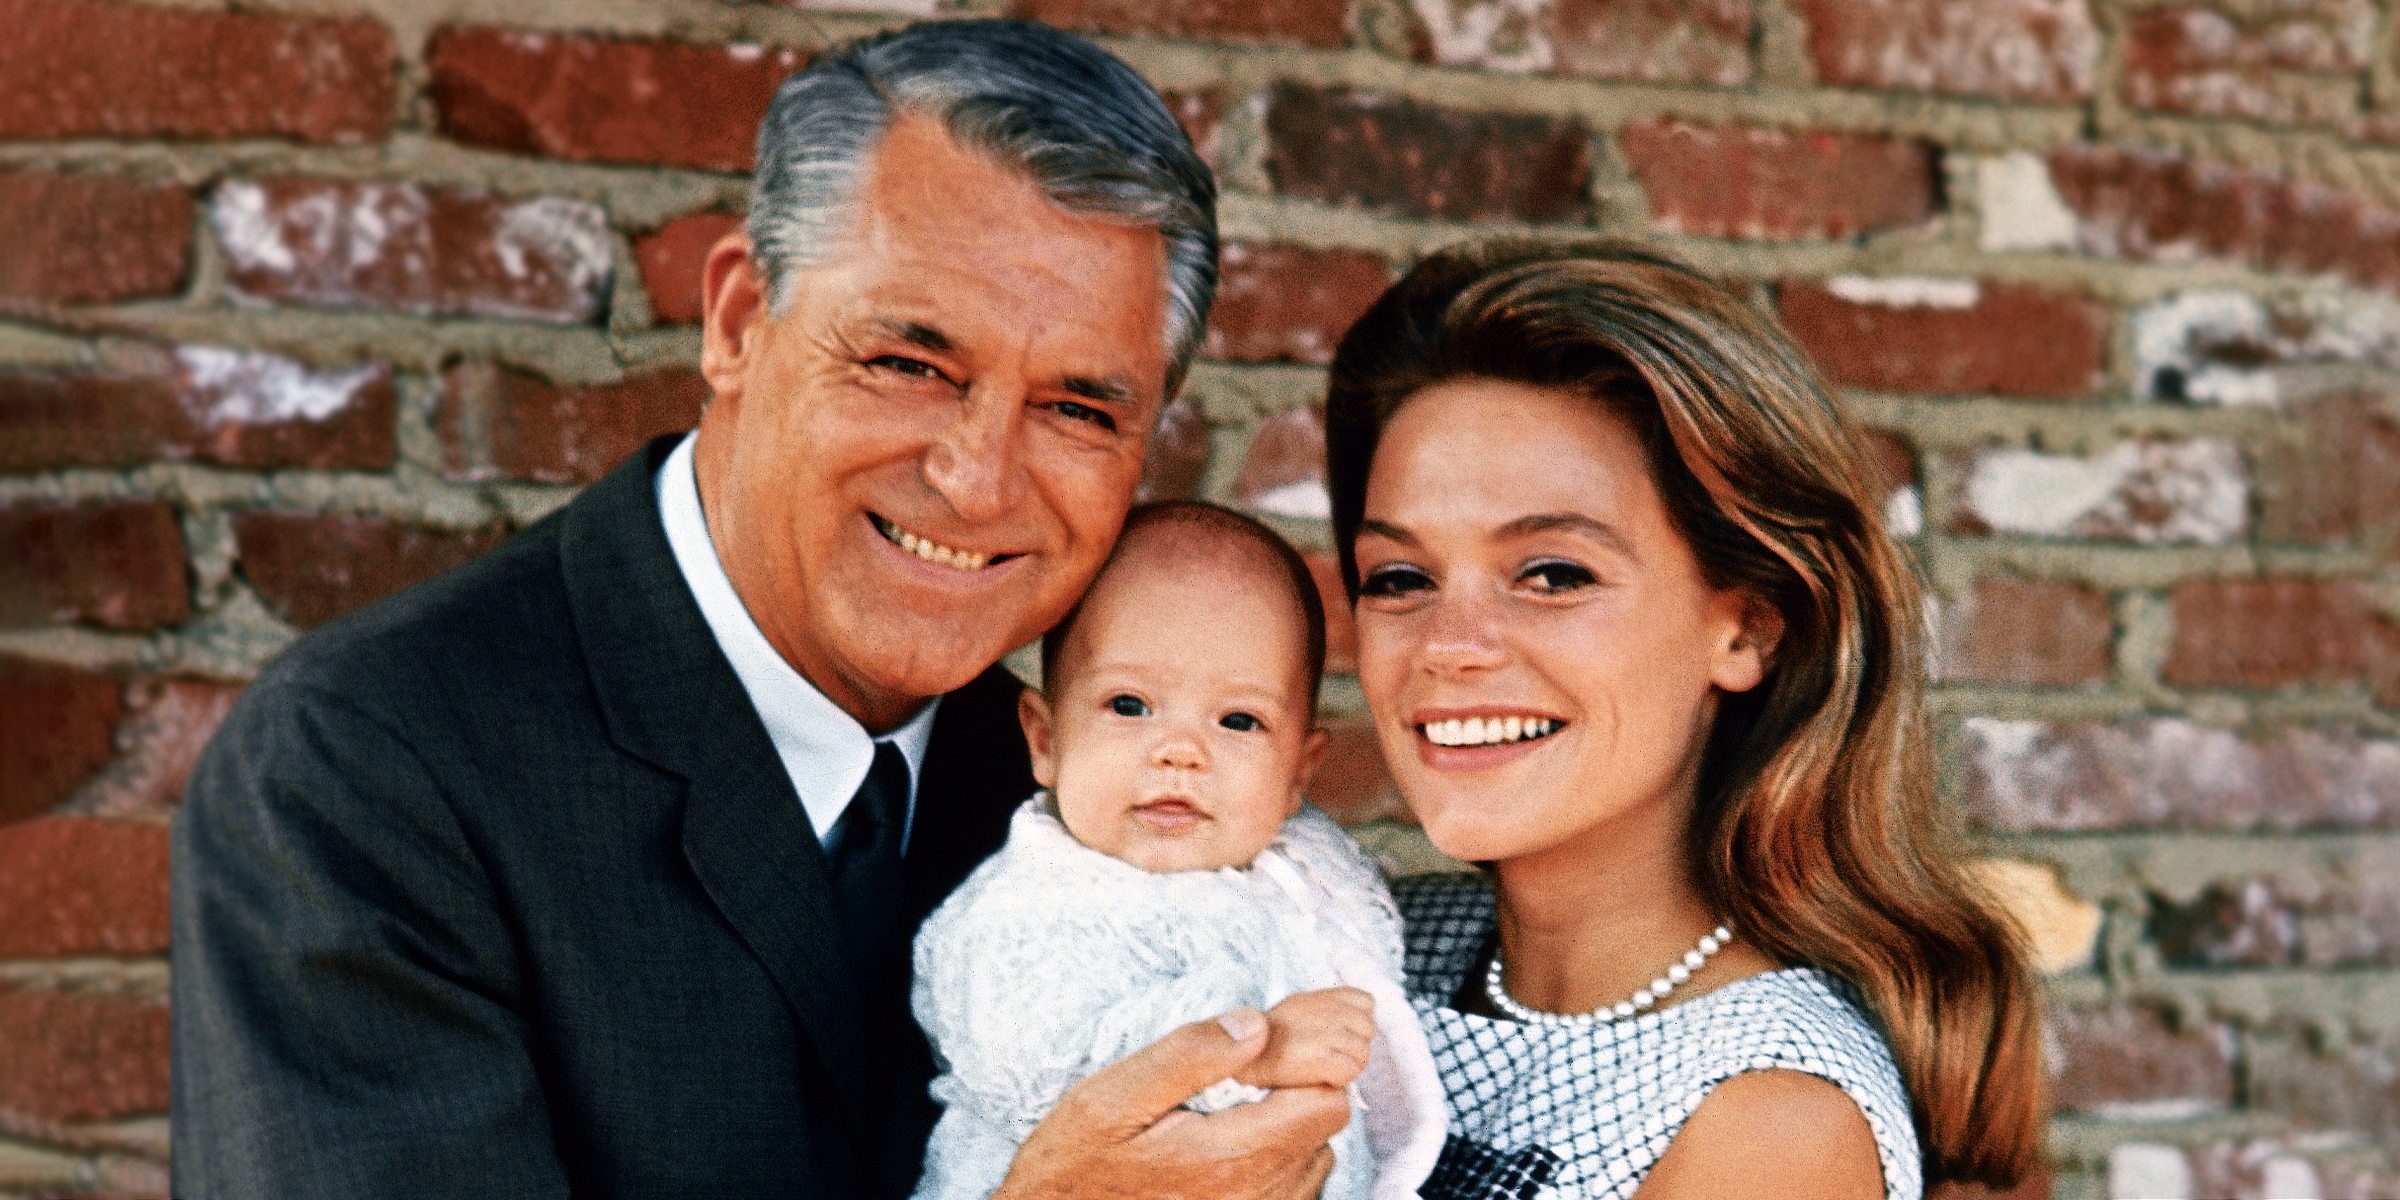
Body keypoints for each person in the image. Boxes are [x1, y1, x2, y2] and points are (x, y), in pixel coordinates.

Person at [170, 21, 1349, 1198]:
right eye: (909, 362)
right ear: (737, 320)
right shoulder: (366, 773)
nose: (979, 479)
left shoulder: (1101, 792)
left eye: (1080, 410)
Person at [1321, 241, 2046, 1199]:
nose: (1450, 646)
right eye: (1401, 578)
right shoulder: (1362, 945)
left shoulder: (1765, 1119)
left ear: (1744, 629)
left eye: (1553, 574)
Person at [910, 502, 1447, 1200]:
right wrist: (1258, 1051)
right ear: (1045, 740)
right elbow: (1041, 1069)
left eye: (1239, 721)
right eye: (1130, 705)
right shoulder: (1025, 908)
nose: (1181, 751)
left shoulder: (1297, 870)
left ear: (1297, 774)